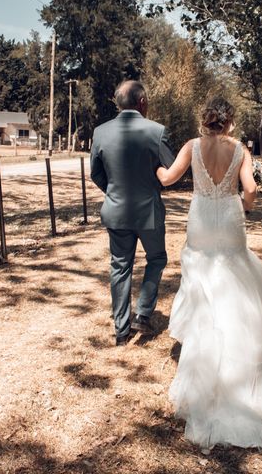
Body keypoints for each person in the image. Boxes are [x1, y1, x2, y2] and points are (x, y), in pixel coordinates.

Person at [156, 97, 262, 450]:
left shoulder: (192, 146)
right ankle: (240, 343)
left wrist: (155, 169)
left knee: (201, 273)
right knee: (235, 275)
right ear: (229, 121)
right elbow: (252, 188)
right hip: (228, 216)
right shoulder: (239, 149)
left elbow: (167, 179)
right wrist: (245, 206)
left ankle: (204, 338)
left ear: (205, 119)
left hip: (201, 220)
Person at [90, 80, 175, 346]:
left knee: (120, 267)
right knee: (157, 258)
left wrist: (114, 191)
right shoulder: (157, 131)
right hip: (148, 210)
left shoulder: (100, 132)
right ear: (142, 102)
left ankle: (121, 331)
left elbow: (96, 173)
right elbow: (171, 170)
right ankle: (143, 313)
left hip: (116, 210)